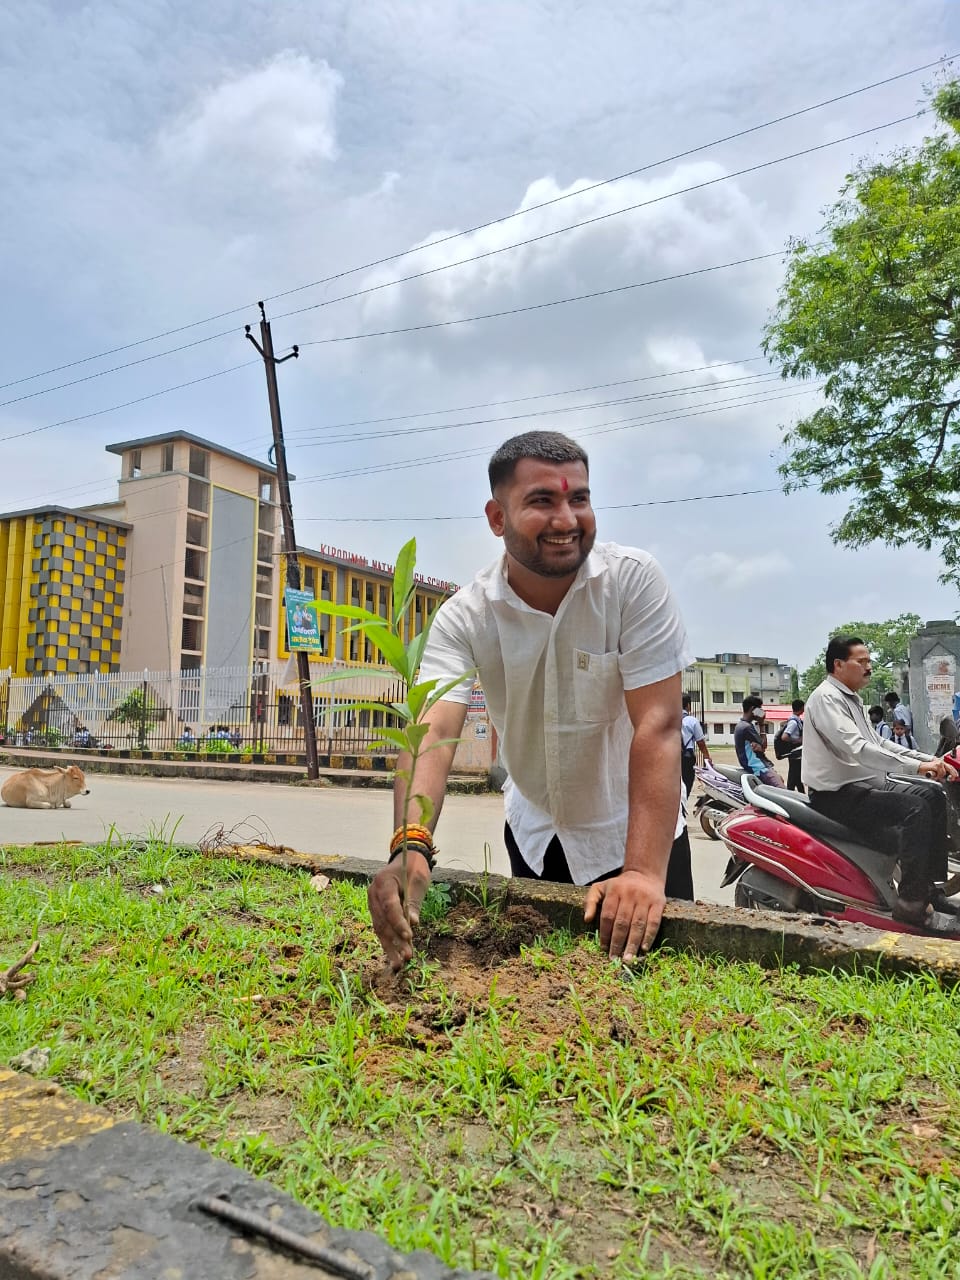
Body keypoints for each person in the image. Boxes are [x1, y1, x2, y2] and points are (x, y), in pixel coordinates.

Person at [367, 430, 694, 971]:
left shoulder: (632, 584)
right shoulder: (466, 616)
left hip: (641, 841)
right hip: (538, 840)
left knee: (660, 995)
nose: (566, 519)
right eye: (542, 501)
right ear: (497, 519)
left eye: (579, 498)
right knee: (545, 990)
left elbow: (657, 725)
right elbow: (433, 726)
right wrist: (411, 844)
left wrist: (640, 873)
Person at [803, 636, 958, 929]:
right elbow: (859, 749)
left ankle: (931, 891)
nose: (869, 667)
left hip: (866, 786)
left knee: (934, 796)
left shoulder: (851, 699)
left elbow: (882, 744)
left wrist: (930, 761)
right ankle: (911, 904)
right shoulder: (826, 699)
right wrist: (918, 765)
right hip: (839, 795)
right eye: (861, 662)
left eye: (868, 661)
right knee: (916, 809)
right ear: (838, 664)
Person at [734, 696, 784, 787]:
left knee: (780, 779)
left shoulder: (742, 725)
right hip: (759, 767)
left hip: (757, 766)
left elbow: (761, 747)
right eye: (760, 709)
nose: (762, 712)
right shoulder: (746, 727)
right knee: (782, 791)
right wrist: (762, 723)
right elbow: (764, 745)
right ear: (753, 709)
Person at [681, 693, 712, 799]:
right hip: (686, 758)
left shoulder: (669, 719)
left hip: (670, 758)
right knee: (686, 785)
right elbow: (701, 743)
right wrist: (707, 757)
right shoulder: (691, 720)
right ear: (688, 705)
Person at [780, 699, 805, 793]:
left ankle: (801, 794)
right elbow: (784, 737)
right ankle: (789, 794)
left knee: (797, 776)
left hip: (796, 753)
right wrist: (797, 740)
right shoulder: (794, 722)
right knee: (792, 777)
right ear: (801, 708)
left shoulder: (796, 720)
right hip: (795, 753)